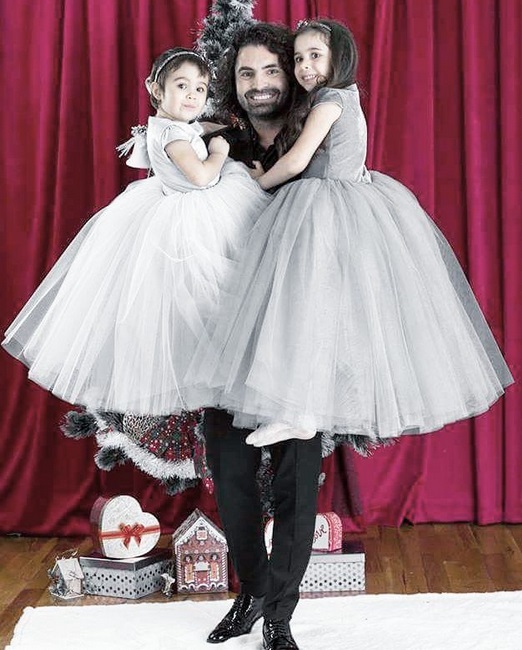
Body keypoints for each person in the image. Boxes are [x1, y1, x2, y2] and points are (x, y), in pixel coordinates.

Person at [190, 18, 513, 454]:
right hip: (340, 201)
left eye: (315, 56)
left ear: (339, 58)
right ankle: (302, 408)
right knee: (311, 312)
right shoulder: (336, 98)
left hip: (326, 206)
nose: (305, 67)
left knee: (303, 308)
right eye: (298, 59)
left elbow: (297, 160)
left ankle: (300, 412)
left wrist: (257, 185)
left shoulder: (329, 101)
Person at [1, 47, 270, 419]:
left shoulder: (170, 126)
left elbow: (192, 129)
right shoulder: (173, 137)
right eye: (182, 86)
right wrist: (220, 151)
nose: (193, 96)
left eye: (200, 89)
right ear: (156, 89)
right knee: (210, 293)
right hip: (190, 217)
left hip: (177, 203)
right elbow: (201, 176)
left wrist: (208, 129)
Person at [194, 23, 323, 650]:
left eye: (271, 70)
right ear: (233, 82)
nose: (259, 84)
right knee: (232, 474)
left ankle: (280, 615)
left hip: (298, 334)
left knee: (298, 477)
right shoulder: (219, 140)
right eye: (246, 73)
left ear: (289, 75)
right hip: (229, 334)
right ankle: (251, 592)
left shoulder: (315, 133)